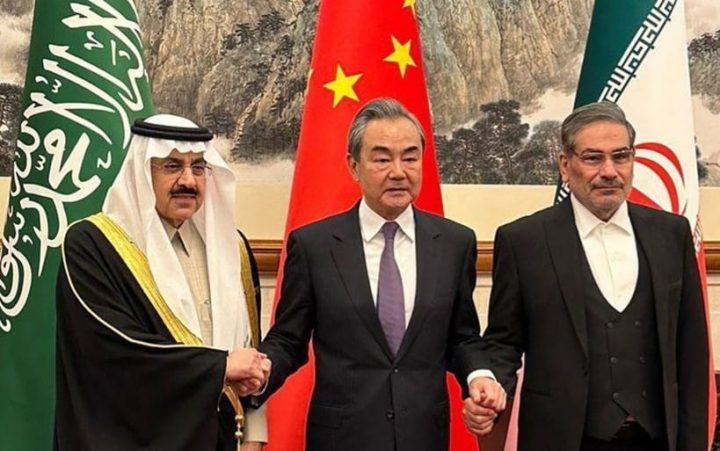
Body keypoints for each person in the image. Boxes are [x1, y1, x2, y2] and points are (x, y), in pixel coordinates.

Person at [253, 98, 505, 451]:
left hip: (424, 437)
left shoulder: (454, 243)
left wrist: (480, 376)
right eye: (382, 159)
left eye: (410, 158)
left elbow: (463, 337)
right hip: (341, 439)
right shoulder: (315, 246)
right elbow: (288, 340)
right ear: (354, 166)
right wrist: (258, 373)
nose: (398, 172)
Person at [465, 101, 709, 451]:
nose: (609, 171)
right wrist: (489, 388)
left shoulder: (671, 234)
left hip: (656, 439)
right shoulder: (524, 241)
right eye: (593, 158)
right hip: (562, 439)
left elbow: (692, 352)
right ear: (565, 165)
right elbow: (503, 342)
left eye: (620, 156)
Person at [54, 114, 270, 451]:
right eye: (172, 166)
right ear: (142, 173)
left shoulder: (232, 248)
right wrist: (221, 368)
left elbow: (249, 347)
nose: (188, 180)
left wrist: (254, 433)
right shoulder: (93, 245)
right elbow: (114, 353)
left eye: (199, 167)